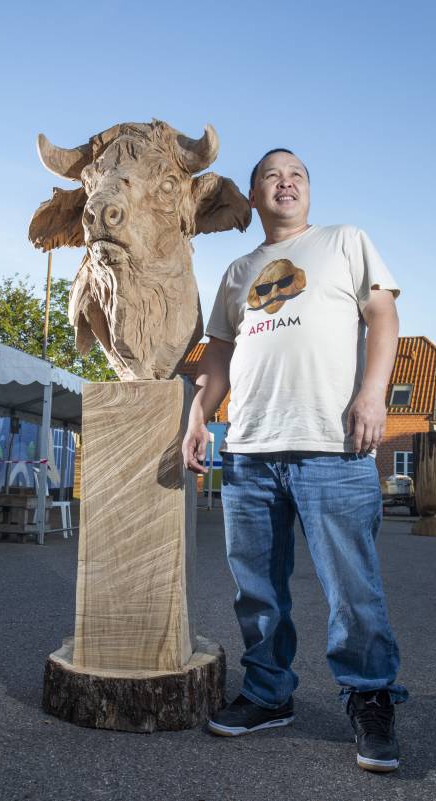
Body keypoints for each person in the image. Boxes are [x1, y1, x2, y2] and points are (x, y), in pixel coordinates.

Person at [182, 148, 408, 773]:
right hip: (250, 451)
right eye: (271, 176)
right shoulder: (239, 271)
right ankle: (267, 694)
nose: (286, 182)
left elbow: (383, 313)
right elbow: (218, 354)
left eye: (297, 175)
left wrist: (372, 394)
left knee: (352, 590)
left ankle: (370, 698)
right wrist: (198, 416)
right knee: (256, 590)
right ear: (254, 195)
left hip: (331, 446)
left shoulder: (344, 241)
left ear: (308, 190)